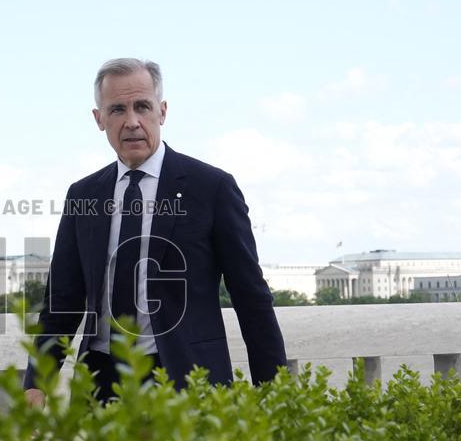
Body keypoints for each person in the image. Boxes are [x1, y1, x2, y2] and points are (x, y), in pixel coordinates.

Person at [24, 58, 286, 406]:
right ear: (99, 119)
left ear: (161, 112)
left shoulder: (212, 188)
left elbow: (251, 298)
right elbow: (62, 303)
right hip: (100, 387)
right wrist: (37, 383)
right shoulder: (84, 195)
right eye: (117, 109)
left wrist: (276, 393)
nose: (132, 121)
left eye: (142, 107)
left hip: (188, 383)